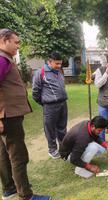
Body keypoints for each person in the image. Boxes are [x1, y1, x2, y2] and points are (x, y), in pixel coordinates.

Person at [0, 29, 50, 200]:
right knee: (18, 155)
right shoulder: (2, 60)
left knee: (4, 153)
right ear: (5, 40)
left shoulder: (4, 59)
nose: (18, 46)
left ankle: (9, 188)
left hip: (7, 115)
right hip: (8, 116)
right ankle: (26, 195)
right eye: (16, 42)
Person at [32, 52, 68, 159]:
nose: (59, 66)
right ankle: (52, 150)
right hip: (50, 106)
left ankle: (63, 147)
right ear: (49, 62)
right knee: (50, 129)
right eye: (57, 63)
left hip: (63, 104)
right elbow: (35, 92)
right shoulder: (41, 72)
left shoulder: (59, 71)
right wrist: (44, 102)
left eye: (60, 63)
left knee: (62, 127)